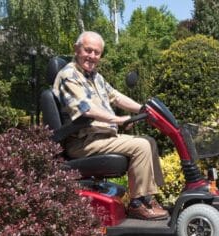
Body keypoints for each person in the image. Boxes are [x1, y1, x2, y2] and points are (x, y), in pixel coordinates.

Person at [53, 31, 169, 220]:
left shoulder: (94, 76)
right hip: (83, 142)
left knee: (149, 140)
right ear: (76, 49)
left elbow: (116, 96)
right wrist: (118, 120)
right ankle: (138, 203)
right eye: (87, 50)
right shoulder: (69, 75)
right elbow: (86, 109)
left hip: (102, 138)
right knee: (141, 146)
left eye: (97, 52)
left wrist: (144, 110)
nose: (92, 56)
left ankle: (148, 197)